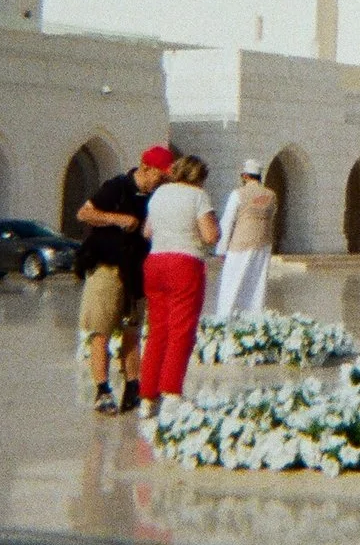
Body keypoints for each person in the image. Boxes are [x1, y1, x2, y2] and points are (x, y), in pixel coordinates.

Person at [74, 144, 170, 414]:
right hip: (107, 267)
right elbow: (85, 212)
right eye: (159, 176)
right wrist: (117, 219)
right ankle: (102, 390)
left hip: (137, 270)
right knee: (101, 330)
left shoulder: (156, 196)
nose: (160, 182)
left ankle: (132, 387)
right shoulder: (116, 187)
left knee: (133, 331)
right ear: (146, 167)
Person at [137, 154, 217, 413]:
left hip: (155, 262)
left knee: (157, 330)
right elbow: (209, 235)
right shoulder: (198, 196)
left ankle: (147, 396)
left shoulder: (159, 194)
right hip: (184, 263)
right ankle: (171, 391)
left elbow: (147, 232)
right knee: (181, 329)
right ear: (199, 176)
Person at [212, 159, 278, 319]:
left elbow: (228, 220)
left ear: (245, 176)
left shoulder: (238, 194)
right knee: (257, 284)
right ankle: (254, 318)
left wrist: (221, 249)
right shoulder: (271, 195)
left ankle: (225, 318)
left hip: (240, 244)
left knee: (232, 283)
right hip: (263, 244)